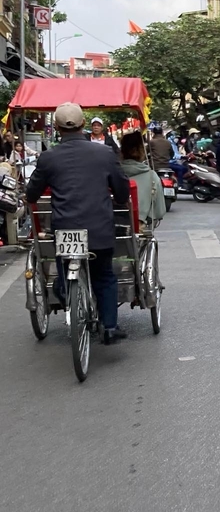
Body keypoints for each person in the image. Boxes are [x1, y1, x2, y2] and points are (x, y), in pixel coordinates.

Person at [26, 103, 130, 344]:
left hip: (65, 229)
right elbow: (122, 190)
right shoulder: (105, 153)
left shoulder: (48, 157)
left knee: (63, 271)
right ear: (84, 125)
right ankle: (110, 327)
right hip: (100, 229)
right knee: (104, 275)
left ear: (57, 128)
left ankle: (65, 290)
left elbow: (32, 194)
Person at [120, 132, 166, 227]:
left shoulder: (112, 173)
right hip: (141, 226)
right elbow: (159, 212)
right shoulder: (151, 176)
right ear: (142, 151)